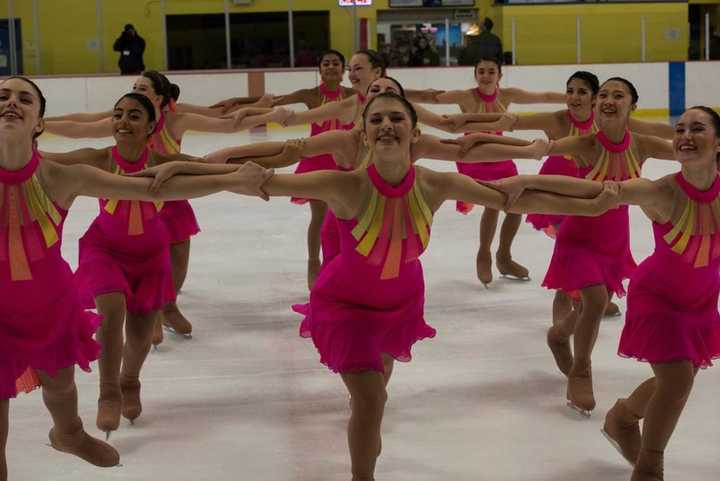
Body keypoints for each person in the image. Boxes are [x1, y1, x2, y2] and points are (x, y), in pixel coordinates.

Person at [141, 91, 618, 481]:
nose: (386, 125)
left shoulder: (434, 183)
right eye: (376, 119)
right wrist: (182, 169)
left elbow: (515, 197)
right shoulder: (344, 185)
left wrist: (598, 201)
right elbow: (255, 179)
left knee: (375, 389)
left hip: (402, 302)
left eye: (396, 118)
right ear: (364, 132)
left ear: (413, 132)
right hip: (346, 304)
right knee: (373, 399)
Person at [0, 75, 271, 481]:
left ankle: (70, 432)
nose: (11, 103)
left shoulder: (60, 176)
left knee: (61, 388)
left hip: (49, 306)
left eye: (24, 98)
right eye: (2, 96)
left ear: (39, 121)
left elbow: (153, 192)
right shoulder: (87, 158)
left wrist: (233, 180)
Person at [496, 106, 720, 481]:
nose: (685, 136)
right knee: (678, 380)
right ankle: (649, 467)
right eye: (679, 129)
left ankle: (624, 418)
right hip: (659, 298)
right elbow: (597, 190)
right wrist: (529, 183)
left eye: (697, 129)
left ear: (717, 142)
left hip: (702, 302)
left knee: (678, 380)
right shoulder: (660, 192)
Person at [477, 78, 675, 417]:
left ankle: (559, 334)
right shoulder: (584, 144)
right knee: (595, 300)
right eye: (604, 96)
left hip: (616, 241)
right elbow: (535, 150)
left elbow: (686, 149)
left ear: (632, 106)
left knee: (591, 308)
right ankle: (581, 370)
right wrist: (487, 141)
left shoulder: (642, 144)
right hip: (580, 235)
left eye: (618, 95)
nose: (608, 100)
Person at [43, 71, 284, 345]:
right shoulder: (123, 119)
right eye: (133, 86)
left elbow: (221, 120)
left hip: (172, 194)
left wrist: (263, 114)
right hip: (128, 204)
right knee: (145, 260)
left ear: (158, 98)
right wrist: (40, 124)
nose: (135, 91)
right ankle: (154, 314)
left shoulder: (176, 119)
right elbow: (80, 125)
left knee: (177, 260)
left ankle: (168, 306)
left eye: (142, 88)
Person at [409, 57, 566, 285]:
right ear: (475, 74)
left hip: (501, 155)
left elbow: (544, 97)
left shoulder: (508, 95)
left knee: (518, 203)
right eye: (481, 71)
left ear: (499, 76)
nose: (485, 75)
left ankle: (504, 255)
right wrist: (394, 92)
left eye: (491, 71)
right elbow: (431, 97)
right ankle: (484, 254)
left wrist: (573, 99)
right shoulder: (465, 96)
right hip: (473, 156)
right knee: (494, 204)